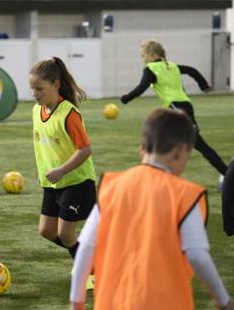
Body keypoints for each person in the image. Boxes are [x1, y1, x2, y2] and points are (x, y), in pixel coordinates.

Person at [70, 109, 233, 310]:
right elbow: (198, 256)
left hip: (111, 302)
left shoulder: (111, 187)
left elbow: (86, 247)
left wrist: (76, 301)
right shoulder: (185, 195)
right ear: (179, 151)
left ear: (142, 149)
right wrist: (224, 301)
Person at [121, 39, 228, 187]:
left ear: (152, 54)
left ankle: (228, 174)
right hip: (185, 106)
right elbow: (193, 71)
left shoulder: (151, 69)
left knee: (199, 145)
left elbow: (141, 88)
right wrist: (204, 86)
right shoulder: (172, 66)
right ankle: (158, 179)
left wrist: (125, 99)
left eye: (143, 55)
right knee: (163, 142)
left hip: (176, 109)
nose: (143, 59)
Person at [29, 57, 97, 280]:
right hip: (52, 183)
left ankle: (92, 270)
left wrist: (61, 170)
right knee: (46, 231)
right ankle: (89, 258)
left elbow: (85, 149)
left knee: (66, 234)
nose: (34, 93)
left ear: (56, 85)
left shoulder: (69, 113)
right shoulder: (35, 112)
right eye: (32, 88)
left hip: (77, 182)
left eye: (39, 88)